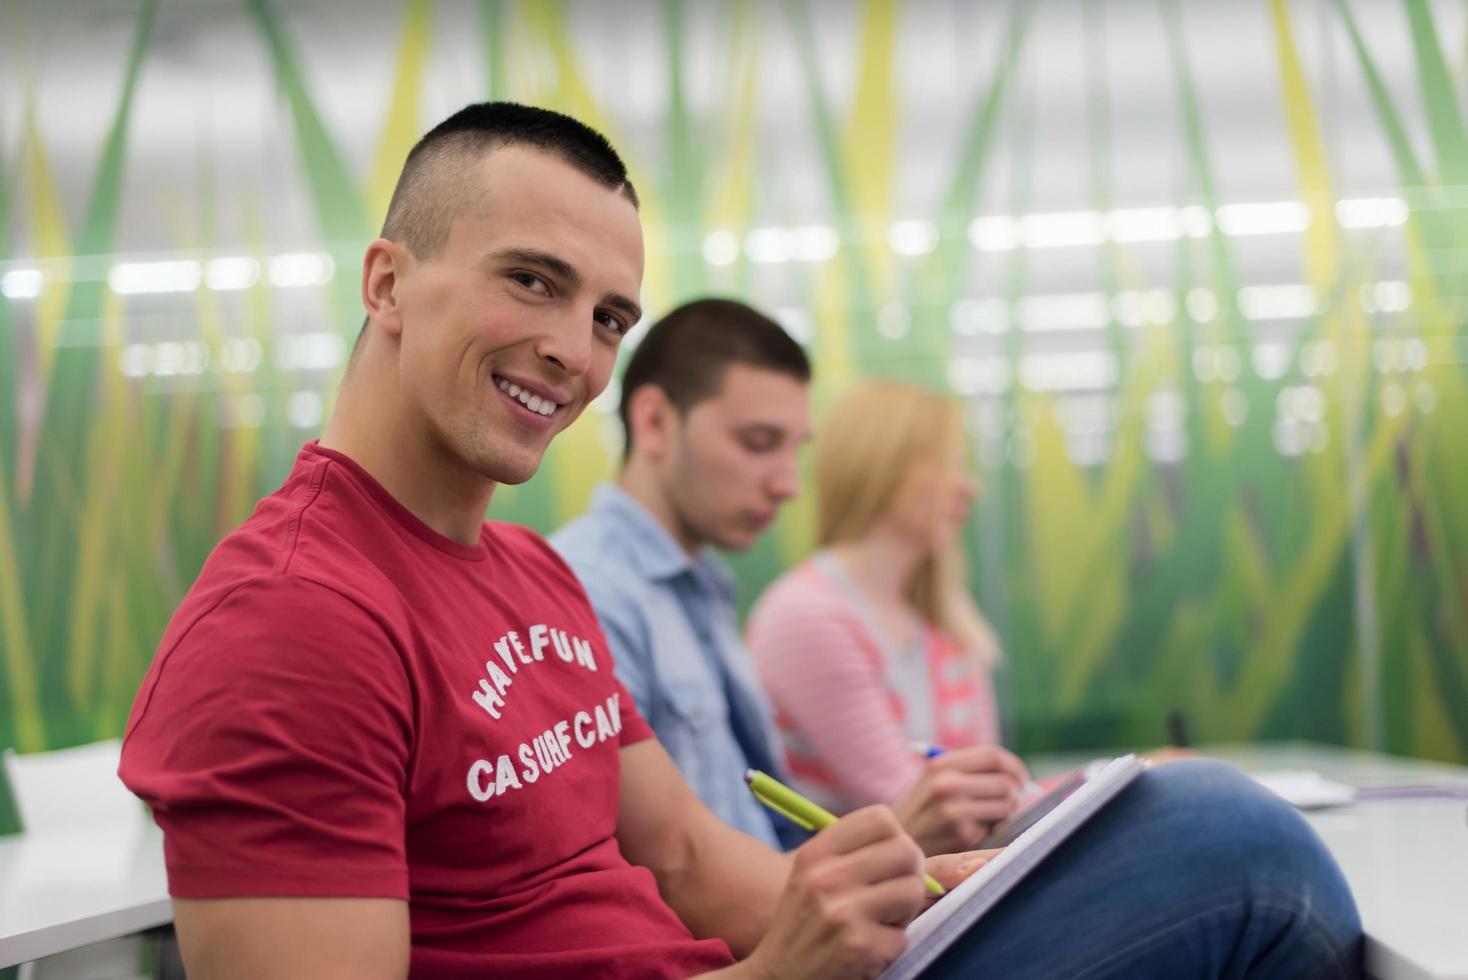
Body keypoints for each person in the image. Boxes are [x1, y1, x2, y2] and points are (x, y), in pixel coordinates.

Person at [118, 101, 1363, 980]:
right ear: (387, 282)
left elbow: (690, 857)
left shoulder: (531, 573)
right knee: (1235, 846)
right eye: (532, 281)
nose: (576, 351)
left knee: (1187, 826)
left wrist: (950, 889)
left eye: (610, 315)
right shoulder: (286, 625)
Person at [552, 301, 1029, 856]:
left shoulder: (702, 596)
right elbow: (668, 876)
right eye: (758, 443)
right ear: (654, 422)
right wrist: (897, 841)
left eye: (793, 451)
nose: (787, 485)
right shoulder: (591, 594)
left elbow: (761, 847)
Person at [747, 380, 1009, 851]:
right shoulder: (804, 616)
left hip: (950, 881)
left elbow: (990, 795)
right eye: (951, 466)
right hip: (887, 902)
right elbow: (912, 806)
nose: (968, 488)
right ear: (886, 468)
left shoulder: (947, 617)